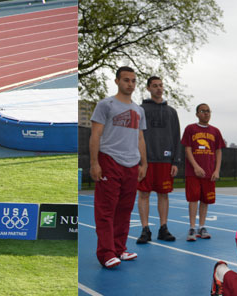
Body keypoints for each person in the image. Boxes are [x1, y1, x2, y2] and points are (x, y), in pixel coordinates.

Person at [89, 66, 147, 268]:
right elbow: (95, 134)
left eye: (133, 80)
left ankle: (119, 248)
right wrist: (95, 163)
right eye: (126, 80)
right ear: (117, 82)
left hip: (131, 164)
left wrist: (143, 163)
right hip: (110, 161)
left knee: (124, 210)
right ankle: (106, 253)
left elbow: (140, 137)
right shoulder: (106, 105)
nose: (129, 84)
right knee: (106, 210)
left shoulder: (139, 110)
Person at [136, 76, 182, 244]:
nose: (158, 88)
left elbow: (177, 136)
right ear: (148, 88)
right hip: (146, 160)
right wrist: (139, 160)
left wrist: (175, 161)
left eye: (161, 85)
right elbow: (135, 135)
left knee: (163, 194)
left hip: (165, 159)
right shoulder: (140, 109)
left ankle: (163, 228)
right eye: (155, 86)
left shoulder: (171, 112)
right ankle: (145, 229)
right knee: (144, 194)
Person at [181, 103, 225, 241]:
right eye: (203, 111)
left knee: (205, 200)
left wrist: (216, 170)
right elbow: (187, 149)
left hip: (209, 172)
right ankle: (192, 227)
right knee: (193, 199)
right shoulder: (190, 129)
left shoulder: (215, 131)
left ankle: (202, 226)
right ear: (197, 114)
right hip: (193, 172)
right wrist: (195, 166)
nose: (206, 113)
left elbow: (218, 151)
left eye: (208, 111)